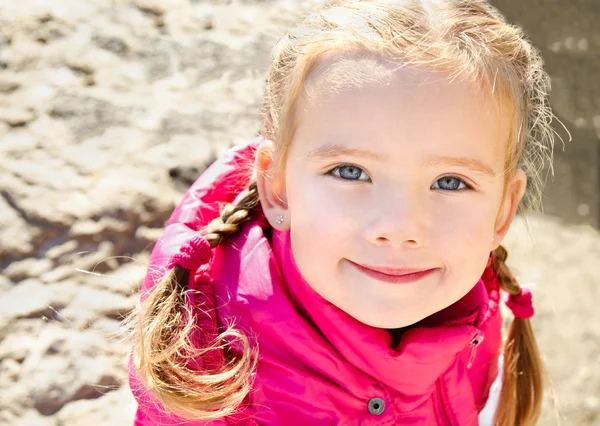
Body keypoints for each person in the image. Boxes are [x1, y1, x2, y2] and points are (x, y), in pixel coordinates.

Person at [127, 0, 560, 424]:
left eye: (450, 182)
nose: (399, 228)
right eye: (350, 171)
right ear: (278, 189)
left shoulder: (483, 327)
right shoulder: (204, 373)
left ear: (503, 211)